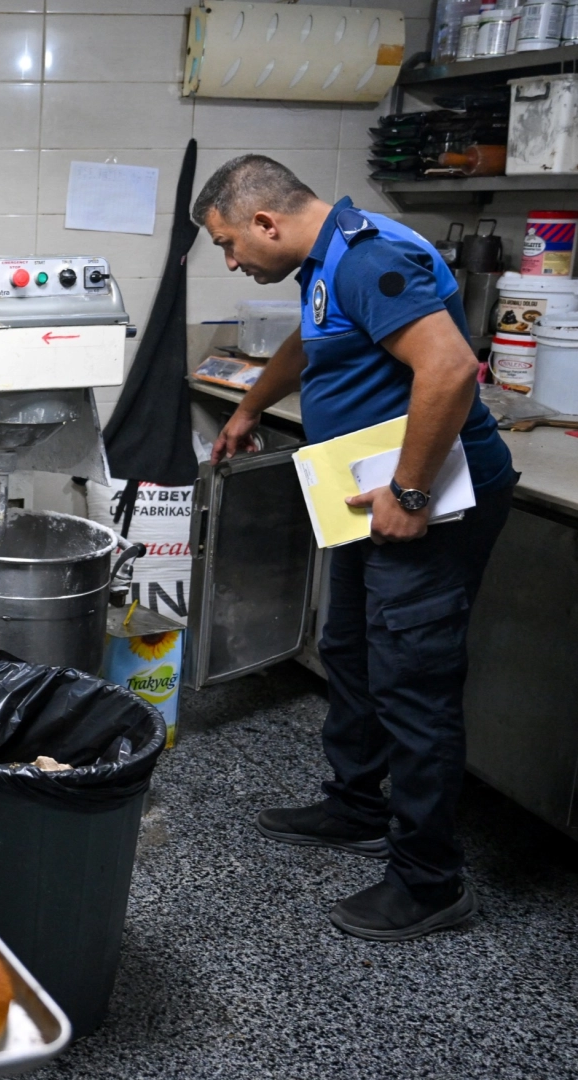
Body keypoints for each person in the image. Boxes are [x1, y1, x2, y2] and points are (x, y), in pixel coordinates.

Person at [194, 156, 516, 941]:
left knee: (412, 680)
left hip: (429, 502)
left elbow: (448, 368)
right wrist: (249, 409)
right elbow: (312, 344)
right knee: (351, 649)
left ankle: (429, 881)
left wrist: (408, 492)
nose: (232, 260)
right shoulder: (327, 257)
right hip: (368, 493)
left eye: (229, 244)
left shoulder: (370, 256)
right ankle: (356, 806)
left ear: (265, 222)